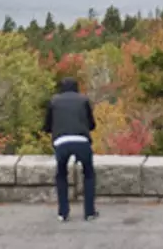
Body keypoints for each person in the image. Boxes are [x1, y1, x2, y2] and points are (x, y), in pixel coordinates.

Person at [43, 77, 98, 222]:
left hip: (62, 142)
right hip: (81, 140)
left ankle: (63, 212)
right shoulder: (84, 100)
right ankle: (89, 212)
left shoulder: (54, 101)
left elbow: (47, 126)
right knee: (89, 174)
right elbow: (92, 125)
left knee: (61, 174)